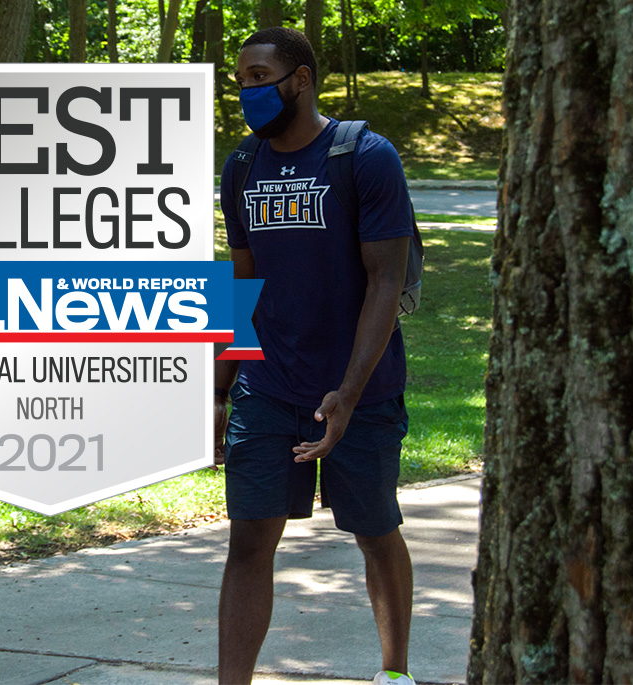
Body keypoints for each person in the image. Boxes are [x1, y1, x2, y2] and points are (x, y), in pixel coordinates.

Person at [213, 27, 416, 685]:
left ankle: (395, 673)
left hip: (363, 388)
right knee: (248, 542)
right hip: (270, 386)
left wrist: (350, 393)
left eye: (258, 77)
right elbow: (242, 282)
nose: (247, 91)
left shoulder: (365, 155)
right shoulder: (242, 166)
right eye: (240, 78)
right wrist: (219, 391)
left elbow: (387, 278)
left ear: (299, 80)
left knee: (375, 530)